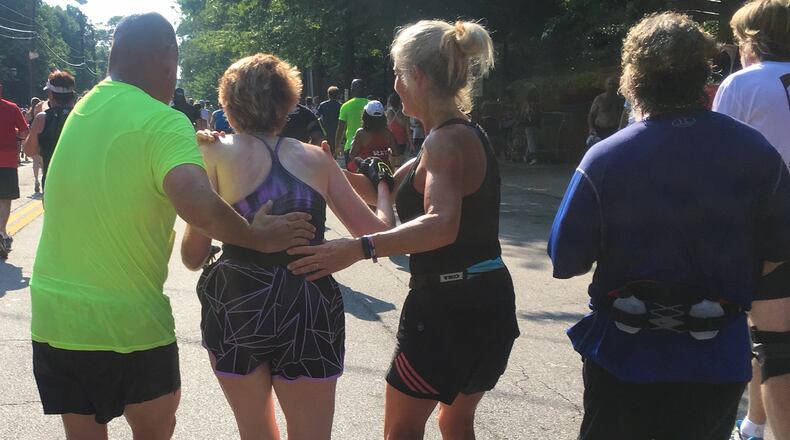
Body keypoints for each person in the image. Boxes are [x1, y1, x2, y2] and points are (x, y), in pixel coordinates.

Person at [28, 14, 316, 440]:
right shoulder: (162, 120)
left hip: (53, 317)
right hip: (126, 322)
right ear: (169, 58)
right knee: (155, 430)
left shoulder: (83, 108)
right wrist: (257, 235)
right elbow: (195, 200)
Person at [548, 12, 790, 440]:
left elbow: (566, 259)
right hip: (715, 356)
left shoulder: (606, 158)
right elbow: (778, 251)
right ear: (704, 74)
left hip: (625, 352)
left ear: (633, 77)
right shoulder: (757, 152)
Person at [287, 20, 519, 440]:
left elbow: (441, 223)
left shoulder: (445, 143)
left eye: (397, 73)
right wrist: (326, 168)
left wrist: (359, 248)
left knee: (402, 431)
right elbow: (388, 191)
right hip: (489, 298)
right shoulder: (464, 135)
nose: (394, 85)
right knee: (455, 420)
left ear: (419, 77)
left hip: (448, 308)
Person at [180, 52, 395, 440]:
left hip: (237, 305)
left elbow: (193, 258)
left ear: (227, 105)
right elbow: (380, 234)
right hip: (309, 303)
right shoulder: (318, 159)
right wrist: (382, 185)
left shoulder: (211, 152)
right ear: (290, 103)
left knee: (256, 432)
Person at [712, 2, 790, 439]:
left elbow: (716, 163)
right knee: (772, 336)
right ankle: (755, 424)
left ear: (753, 39)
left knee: (773, 341)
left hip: (766, 224)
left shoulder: (742, 84)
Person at [23, 70, 77, 193]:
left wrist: (36, 117)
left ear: (51, 95)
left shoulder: (42, 118)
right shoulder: (82, 115)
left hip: (54, 182)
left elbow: (29, 151)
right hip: (81, 181)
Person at [0, 80, 29, 259]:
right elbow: (24, 132)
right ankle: (2, 233)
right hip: (7, 159)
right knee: (4, 198)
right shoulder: (12, 108)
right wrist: (15, 134)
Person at [347, 100, 397, 171]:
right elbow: (396, 153)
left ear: (365, 116)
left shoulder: (361, 133)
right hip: (384, 170)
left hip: (366, 171)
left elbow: (352, 155)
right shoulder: (388, 133)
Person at [335, 79, 369, 162]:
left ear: (352, 90)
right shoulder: (370, 104)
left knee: (351, 174)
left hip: (351, 146)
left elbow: (341, 128)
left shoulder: (346, 106)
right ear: (364, 89)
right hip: (369, 146)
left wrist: (337, 146)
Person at [587, 76, 624, 142]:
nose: (611, 86)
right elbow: (591, 115)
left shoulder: (621, 99)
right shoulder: (599, 99)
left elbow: (625, 114)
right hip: (601, 130)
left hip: (615, 129)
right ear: (605, 85)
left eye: (613, 84)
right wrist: (591, 128)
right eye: (609, 84)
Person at [386, 93, 411, 168]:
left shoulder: (387, 114)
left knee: (391, 162)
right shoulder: (404, 115)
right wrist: (411, 144)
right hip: (402, 141)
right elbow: (408, 131)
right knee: (400, 163)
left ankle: (392, 176)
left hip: (390, 141)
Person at [25, 98, 43, 193]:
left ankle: (36, 180)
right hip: (42, 137)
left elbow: (26, 125)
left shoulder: (29, 114)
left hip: (32, 136)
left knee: (35, 161)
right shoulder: (42, 112)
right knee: (43, 161)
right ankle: (45, 179)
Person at [317, 86, 342, 153]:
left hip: (325, 133)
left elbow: (317, 117)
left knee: (325, 152)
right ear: (337, 95)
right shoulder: (341, 106)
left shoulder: (322, 105)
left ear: (328, 95)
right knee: (335, 153)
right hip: (336, 133)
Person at [522, 85, 542, 165]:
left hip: (528, 124)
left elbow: (523, 114)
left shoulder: (527, 104)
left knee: (530, 140)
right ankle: (527, 156)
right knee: (532, 140)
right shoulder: (538, 104)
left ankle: (533, 157)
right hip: (537, 124)